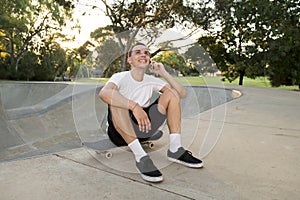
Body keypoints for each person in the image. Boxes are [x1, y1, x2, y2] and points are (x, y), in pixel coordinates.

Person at [99, 42, 203, 183]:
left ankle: (175, 149)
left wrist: (163, 73)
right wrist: (135, 107)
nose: (143, 54)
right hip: (119, 133)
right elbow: (104, 93)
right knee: (115, 100)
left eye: (146, 53)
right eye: (138, 52)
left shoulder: (151, 80)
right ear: (129, 60)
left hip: (144, 129)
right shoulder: (120, 76)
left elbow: (181, 93)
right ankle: (141, 157)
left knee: (172, 93)